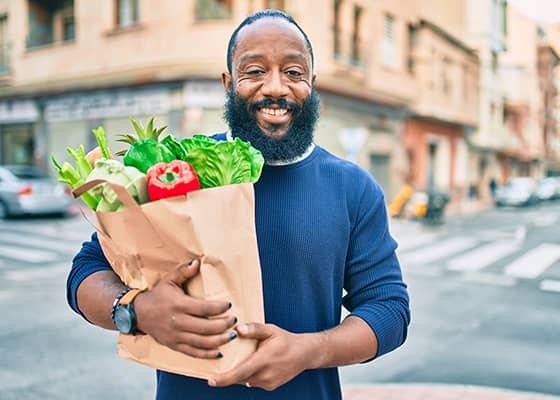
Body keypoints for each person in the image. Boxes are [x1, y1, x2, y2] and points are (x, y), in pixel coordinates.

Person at [67, 9, 410, 400]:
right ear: (229, 84)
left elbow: (389, 309)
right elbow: (86, 271)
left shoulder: (353, 188)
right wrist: (136, 310)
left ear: (312, 86)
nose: (275, 88)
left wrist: (308, 351)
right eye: (254, 71)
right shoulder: (177, 169)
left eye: (294, 73)